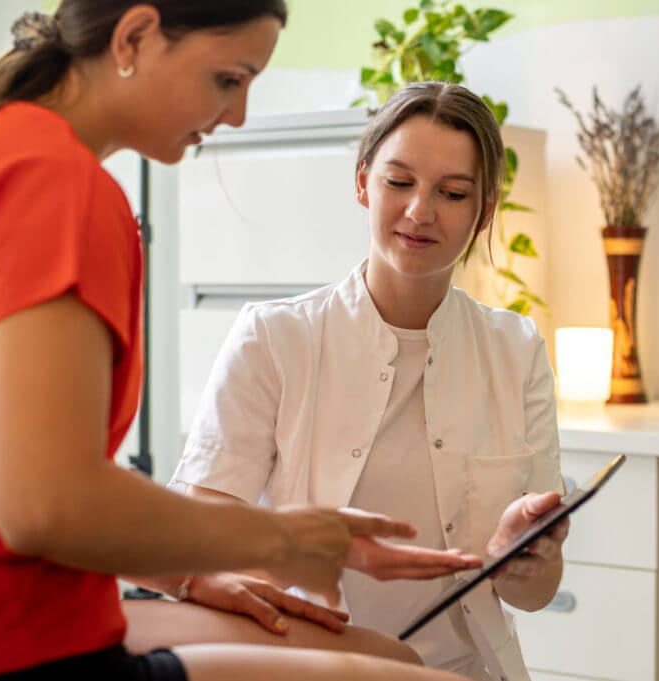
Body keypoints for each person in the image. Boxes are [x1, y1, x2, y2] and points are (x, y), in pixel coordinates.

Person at [0, 3, 483, 681]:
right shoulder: (59, 185)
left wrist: (187, 573)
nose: (239, 114)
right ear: (134, 37)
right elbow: (46, 503)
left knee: (383, 654)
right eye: (228, 79)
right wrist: (285, 539)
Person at [169, 82, 571, 681]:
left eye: (452, 192)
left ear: (485, 210)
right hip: (307, 667)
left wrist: (526, 560)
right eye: (398, 182)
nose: (420, 212)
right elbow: (203, 545)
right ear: (363, 182)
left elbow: (533, 595)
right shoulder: (274, 339)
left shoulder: (516, 349)